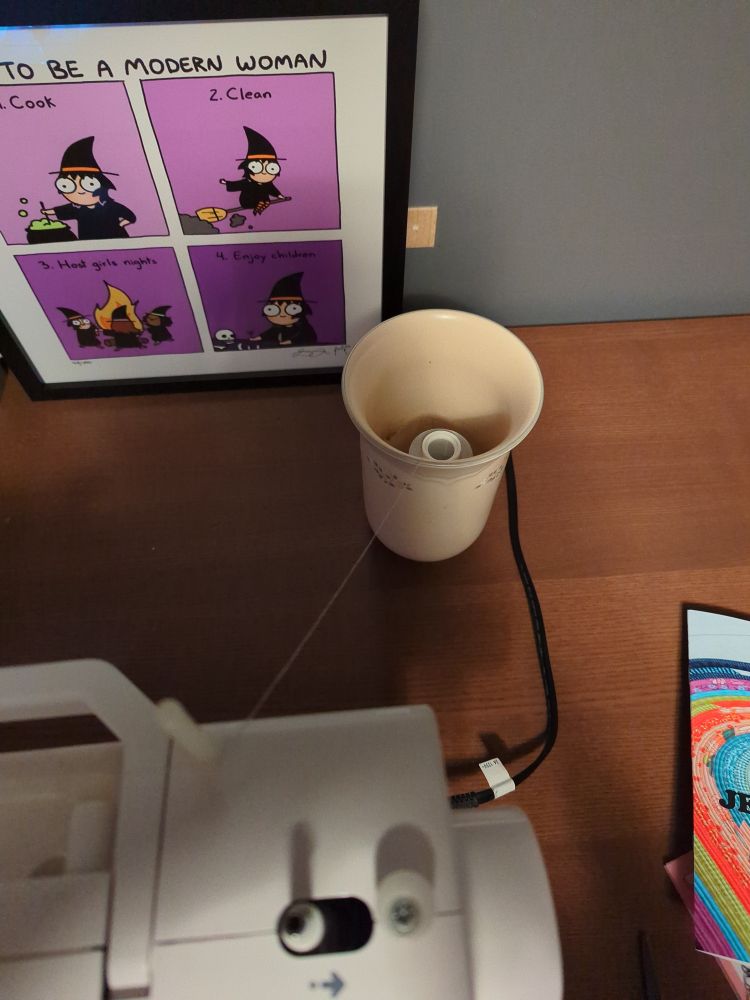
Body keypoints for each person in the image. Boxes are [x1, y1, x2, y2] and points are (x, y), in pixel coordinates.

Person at [43, 137, 136, 240]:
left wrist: (120, 225)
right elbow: (62, 210)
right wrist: (48, 212)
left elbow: (130, 217)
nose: (80, 191)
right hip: (88, 242)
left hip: (115, 239)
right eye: (67, 186)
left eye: (89, 184)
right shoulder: (77, 208)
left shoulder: (111, 206)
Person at [219, 127, 287, 216]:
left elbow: (273, 190)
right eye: (256, 167)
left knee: (265, 201)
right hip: (247, 201)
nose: (264, 173)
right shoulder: (247, 182)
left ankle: (258, 208)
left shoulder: (268, 184)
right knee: (257, 200)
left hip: (262, 200)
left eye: (271, 168)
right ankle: (257, 207)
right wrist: (226, 183)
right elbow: (236, 184)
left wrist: (280, 196)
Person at [249, 272, 317, 349]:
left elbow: (306, 336)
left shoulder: (304, 328)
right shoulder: (279, 327)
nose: (282, 314)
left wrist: (290, 341)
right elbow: (270, 333)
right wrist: (258, 338)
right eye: (273, 309)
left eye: (292, 309)